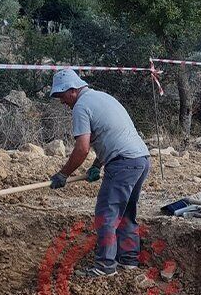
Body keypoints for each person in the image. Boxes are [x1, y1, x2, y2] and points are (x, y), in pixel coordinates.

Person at [49, 68, 152, 277]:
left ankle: (105, 266)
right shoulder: (102, 98)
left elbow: (82, 148)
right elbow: (112, 136)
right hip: (141, 159)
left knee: (106, 215)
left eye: (61, 96)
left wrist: (63, 174)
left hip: (123, 164)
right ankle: (129, 260)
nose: (62, 102)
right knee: (126, 213)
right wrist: (98, 165)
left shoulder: (81, 107)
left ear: (72, 90)